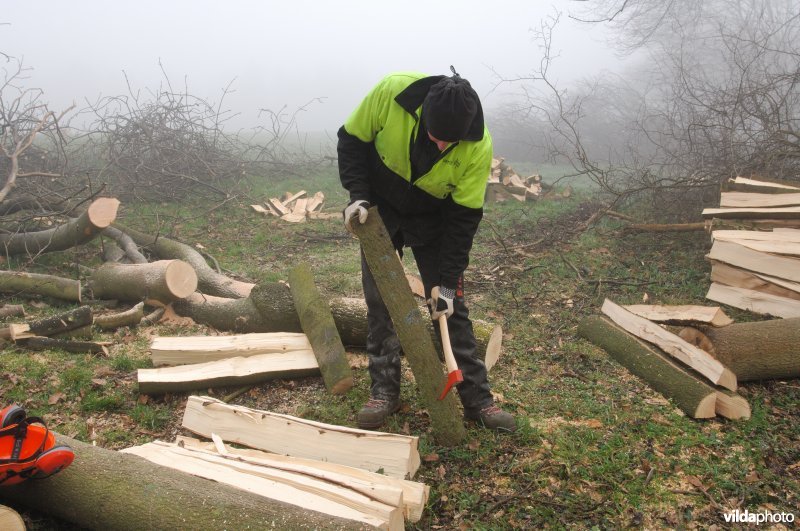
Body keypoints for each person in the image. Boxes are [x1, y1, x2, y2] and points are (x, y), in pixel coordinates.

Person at [337, 67, 516, 433]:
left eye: (450, 143)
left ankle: (477, 400)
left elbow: (464, 218)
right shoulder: (391, 94)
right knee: (381, 299)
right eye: (435, 138)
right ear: (422, 115)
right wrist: (358, 196)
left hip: (435, 216)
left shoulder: (478, 145)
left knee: (453, 308)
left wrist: (447, 283)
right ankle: (384, 391)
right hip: (380, 207)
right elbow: (351, 141)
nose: (441, 147)